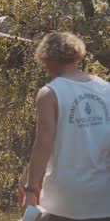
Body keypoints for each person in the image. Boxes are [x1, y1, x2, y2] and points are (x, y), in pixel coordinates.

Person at [23, 32, 110, 221]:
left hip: (63, 201)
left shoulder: (49, 93)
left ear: (49, 58)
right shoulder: (107, 89)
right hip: (104, 199)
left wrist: (29, 190)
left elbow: (43, 144)